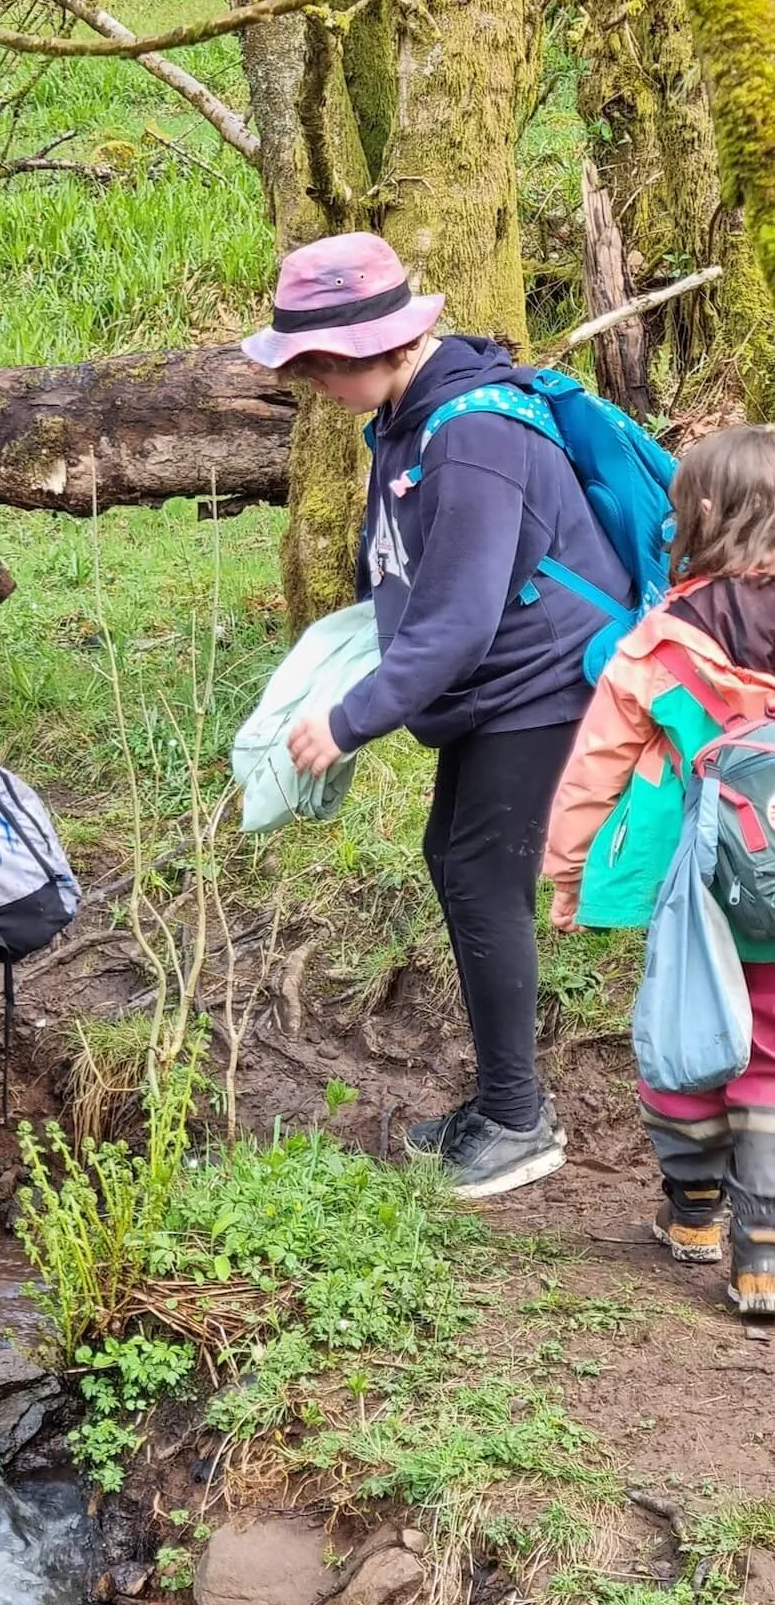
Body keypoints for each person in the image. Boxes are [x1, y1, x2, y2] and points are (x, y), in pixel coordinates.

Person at [243, 231, 633, 1198]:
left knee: (482, 881)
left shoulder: (472, 433)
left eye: (319, 366)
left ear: (373, 346)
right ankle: (503, 1100)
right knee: (456, 865)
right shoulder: (411, 418)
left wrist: (349, 718)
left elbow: (458, 619)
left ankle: (518, 1120)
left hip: (543, 683)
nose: (316, 386)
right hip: (498, 683)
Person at [545, 425, 775, 1316]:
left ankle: (696, 1213)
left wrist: (568, 873)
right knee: (768, 1052)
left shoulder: (660, 641)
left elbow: (595, 767)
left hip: (709, 890)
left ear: (703, 515)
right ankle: (761, 1257)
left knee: (682, 1033)